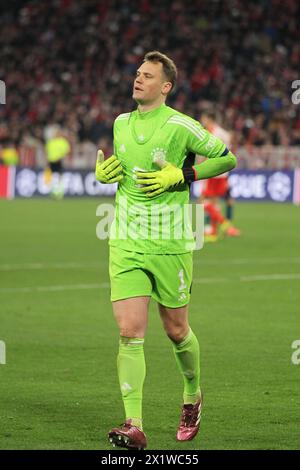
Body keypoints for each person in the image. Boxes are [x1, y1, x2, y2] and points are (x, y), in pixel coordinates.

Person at [95, 51, 237, 450]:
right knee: (129, 332)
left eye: (147, 75)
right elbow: (122, 171)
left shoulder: (180, 125)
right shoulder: (121, 124)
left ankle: (192, 394)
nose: (138, 79)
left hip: (171, 242)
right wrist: (104, 175)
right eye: (137, 73)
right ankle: (133, 424)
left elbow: (228, 157)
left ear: (166, 86)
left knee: (176, 331)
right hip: (125, 240)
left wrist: (184, 173)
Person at [199, 110, 241, 241]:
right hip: (223, 171)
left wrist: (201, 166)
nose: (202, 121)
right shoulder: (223, 132)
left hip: (213, 170)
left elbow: (209, 151)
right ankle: (212, 232)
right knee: (214, 202)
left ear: (209, 119)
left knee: (203, 201)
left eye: (203, 118)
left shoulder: (212, 132)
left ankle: (224, 224)